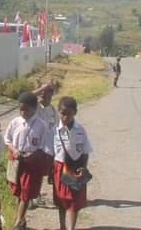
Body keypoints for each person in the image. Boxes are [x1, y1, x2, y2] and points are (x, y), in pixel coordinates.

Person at [4, 91, 48, 230]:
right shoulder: (15, 122)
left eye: (26, 109)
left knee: (26, 192)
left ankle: (17, 222)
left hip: (32, 162)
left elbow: (43, 146)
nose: (22, 112)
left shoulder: (41, 125)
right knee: (18, 191)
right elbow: (7, 139)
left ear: (34, 108)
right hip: (16, 160)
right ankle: (22, 220)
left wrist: (32, 156)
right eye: (20, 109)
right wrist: (14, 150)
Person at [53, 97, 93, 230]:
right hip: (59, 168)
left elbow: (86, 151)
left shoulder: (80, 130)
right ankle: (62, 225)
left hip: (76, 169)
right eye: (63, 113)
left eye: (69, 114)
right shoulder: (54, 130)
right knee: (61, 200)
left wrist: (83, 168)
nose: (65, 117)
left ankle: (71, 228)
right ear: (58, 111)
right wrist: (49, 171)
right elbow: (50, 152)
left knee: (74, 201)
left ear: (75, 112)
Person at [33, 83, 59, 208]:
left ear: (52, 94)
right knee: (33, 173)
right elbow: (26, 97)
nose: (43, 93)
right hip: (33, 146)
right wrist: (41, 88)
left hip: (47, 148)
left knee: (42, 174)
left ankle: (37, 195)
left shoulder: (54, 111)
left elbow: (57, 129)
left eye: (47, 91)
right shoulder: (34, 107)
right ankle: (31, 197)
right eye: (42, 91)